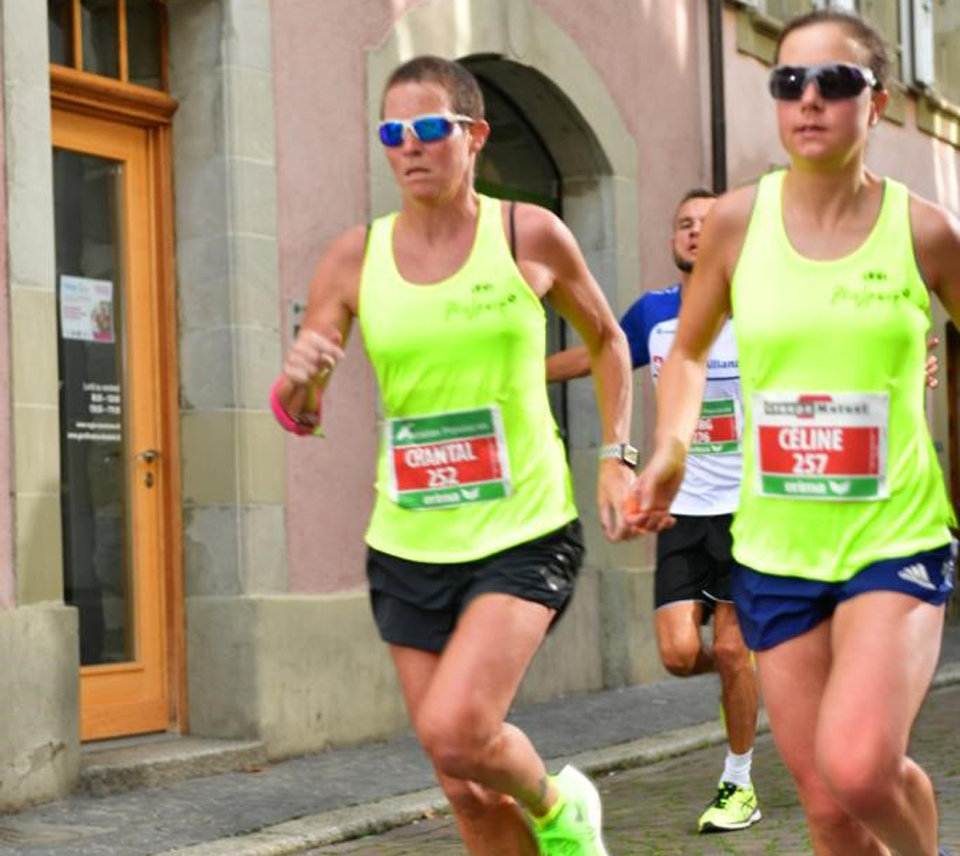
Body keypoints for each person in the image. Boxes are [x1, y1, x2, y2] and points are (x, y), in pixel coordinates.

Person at [272, 55, 636, 856]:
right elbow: (303, 413)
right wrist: (297, 384)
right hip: (407, 538)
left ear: (474, 135)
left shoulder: (526, 233)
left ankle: (561, 812)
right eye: (393, 132)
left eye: (430, 127)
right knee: (464, 786)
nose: (410, 146)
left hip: (523, 527)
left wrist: (619, 453)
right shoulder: (352, 257)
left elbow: (609, 340)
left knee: (457, 727)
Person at [627, 10, 957, 856]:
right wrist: (667, 446)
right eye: (789, 82)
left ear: (876, 102)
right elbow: (690, 349)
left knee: (859, 765)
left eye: (834, 83)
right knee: (827, 810)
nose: (809, 99)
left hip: (894, 538)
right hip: (772, 551)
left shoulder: (923, 230)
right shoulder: (736, 225)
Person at [548, 188, 763, 834]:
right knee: (677, 653)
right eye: (683, 225)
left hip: (746, 507)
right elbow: (597, 352)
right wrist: (521, 372)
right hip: (680, 509)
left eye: (706, 223)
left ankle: (739, 781)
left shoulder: (757, 307)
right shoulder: (654, 314)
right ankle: (748, 674)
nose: (695, 233)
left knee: (728, 647)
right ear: (673, 241)